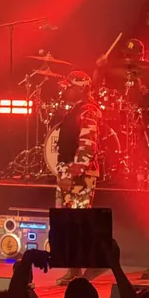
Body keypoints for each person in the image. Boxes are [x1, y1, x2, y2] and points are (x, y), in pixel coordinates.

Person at [52, 71, 101, 286]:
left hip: (78, 175)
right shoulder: (75, 109)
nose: (65, 90)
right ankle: (73, 271)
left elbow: (88, 144)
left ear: (80, 88)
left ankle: (81, 273)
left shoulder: (88, 110)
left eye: (69, 86)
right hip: (68, 171)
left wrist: (73, 172)